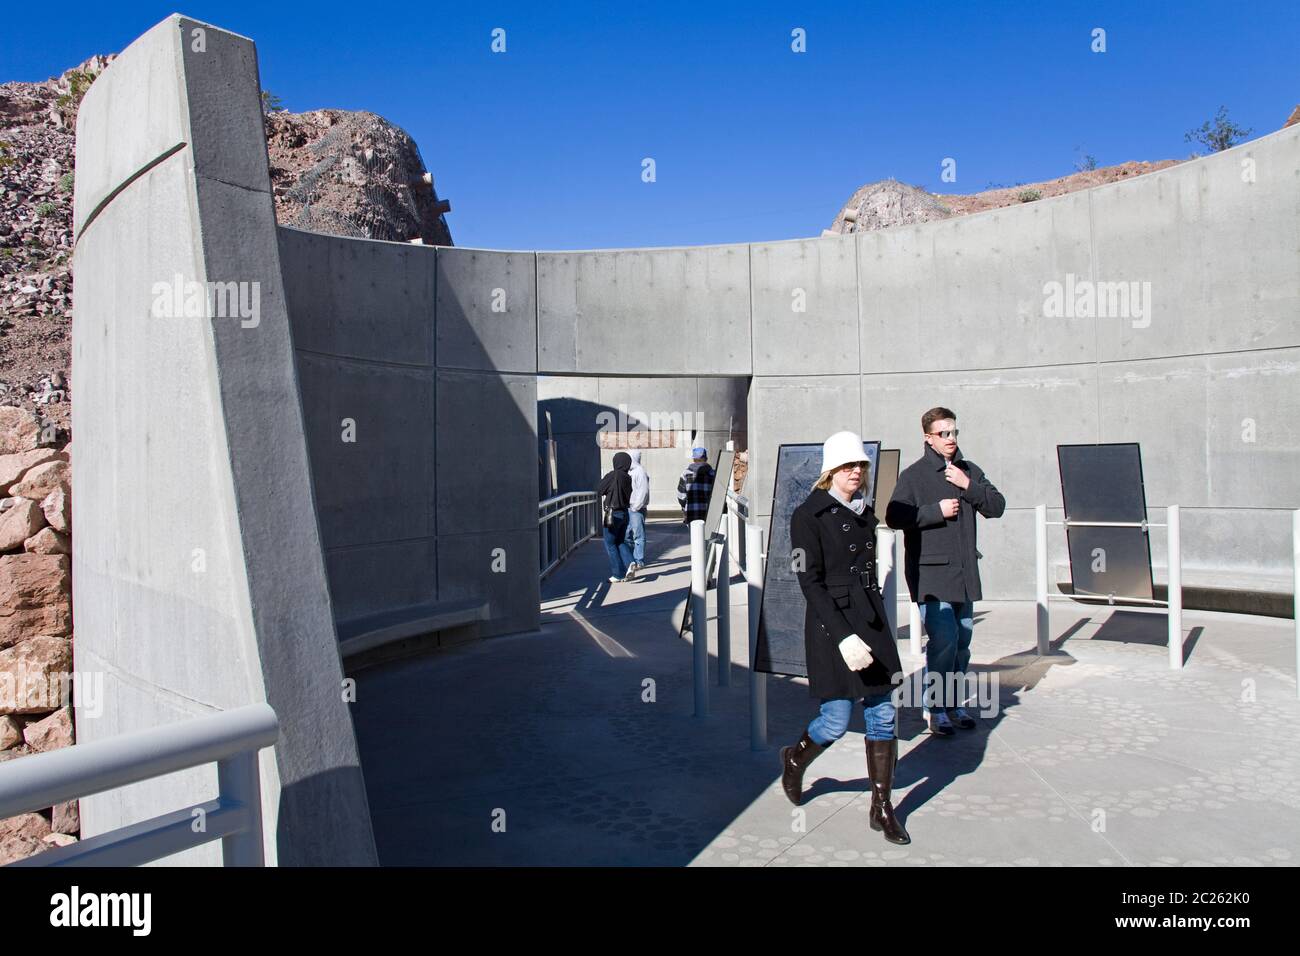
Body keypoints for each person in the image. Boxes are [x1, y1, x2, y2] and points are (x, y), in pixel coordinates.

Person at [779, 430, 909, 845]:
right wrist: (842, 638)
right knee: (835, 720)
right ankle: (796, 760)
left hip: (871, 623)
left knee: (882, 713)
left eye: (860, 466)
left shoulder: (864, 512)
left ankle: (881, 807)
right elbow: (810, 583)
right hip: (832, 627)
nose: (856, 471)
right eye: (847, 466)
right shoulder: (808, 515)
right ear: (830, 471)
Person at [886, 407, 1005, 736]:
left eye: (954, 432)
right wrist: (933, 512)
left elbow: (997, 507)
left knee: (963, 641)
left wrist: (968, 485)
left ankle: (954, 704)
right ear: (928, 438)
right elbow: (895, 516)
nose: (951, 439)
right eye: (943, 434)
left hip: (965, 575)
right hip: (931, 578)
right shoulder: (914, 476)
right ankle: (934, 708)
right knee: (944, 640)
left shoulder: (970, 470)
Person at [597, 452, 635, 583]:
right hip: (625, 513)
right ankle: (630, 562)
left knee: (610, 543)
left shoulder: (613, 475)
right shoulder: (627, 478)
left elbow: (599, 489)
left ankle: (618, 574)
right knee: (620, 541)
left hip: (612, 514)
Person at [625, 449, 650, 577]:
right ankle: (630, 560)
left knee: (638, 535)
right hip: (630, 507)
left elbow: (643, 491)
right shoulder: (631, 471)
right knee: (627, 535)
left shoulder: (639, 472)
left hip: (636, 508)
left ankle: (638, 560)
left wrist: (636, 506)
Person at [677, 446, 714, 526]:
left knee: (694, 537)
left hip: (691, 513)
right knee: (709, 537)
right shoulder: (713, 473)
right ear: (706, 458)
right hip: (710, 514)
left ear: (693, 459)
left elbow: (681, 496)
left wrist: (684, 507)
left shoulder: (686, 474)